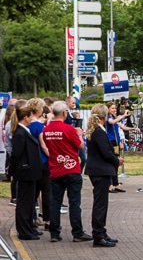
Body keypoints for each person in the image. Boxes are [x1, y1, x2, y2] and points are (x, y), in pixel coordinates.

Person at [43, 101, 92, 243]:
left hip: (55, 169)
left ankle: (54, 233)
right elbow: (81, 146)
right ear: (64, 113)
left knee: (55, 202)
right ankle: (77, 232)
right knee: (74, 202)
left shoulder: (46, 130)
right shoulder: (68, 129)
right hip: (71, 169)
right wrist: (79, 135)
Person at [84, 104, 120, 247]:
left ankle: (101, 232)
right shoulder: (98, 131)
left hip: (97, 169)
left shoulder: (95, 130)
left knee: (101, 203)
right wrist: (116, 160)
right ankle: (98, 234)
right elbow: (105, 152)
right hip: (100, 170)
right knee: (100, 204)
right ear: (105, 117)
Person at [8, 104, 42, 240]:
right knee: (24, 203)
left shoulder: (24, 131)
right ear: (26, 117)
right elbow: (17, 154)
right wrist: (12, 169)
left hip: (29, 171)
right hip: (25, 171)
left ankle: (28, 228)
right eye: (30, 117)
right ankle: (24, 231)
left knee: (28, 203)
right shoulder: (20, 133)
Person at [27, 98, 51, 232]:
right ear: (39, 109)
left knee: (33, 193)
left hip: (31, 162)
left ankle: (31, 218)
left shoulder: (27, 125)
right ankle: (48, 220)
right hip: (43, 162)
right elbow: (44, 146)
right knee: (46, 191)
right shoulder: (40, 127)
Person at [105, 102, 132, 193]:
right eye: (112, 108)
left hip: (116, 142)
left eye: (115, 108)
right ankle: (109, 185)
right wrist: (123, 115)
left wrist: (134, 129)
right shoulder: (108, 118)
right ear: (108, 109)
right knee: (112, 163)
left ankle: (116, 184)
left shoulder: (114, 118)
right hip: (110, 142)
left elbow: (122, 127)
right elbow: (112, 122)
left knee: (116, 163)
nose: (114, 110)